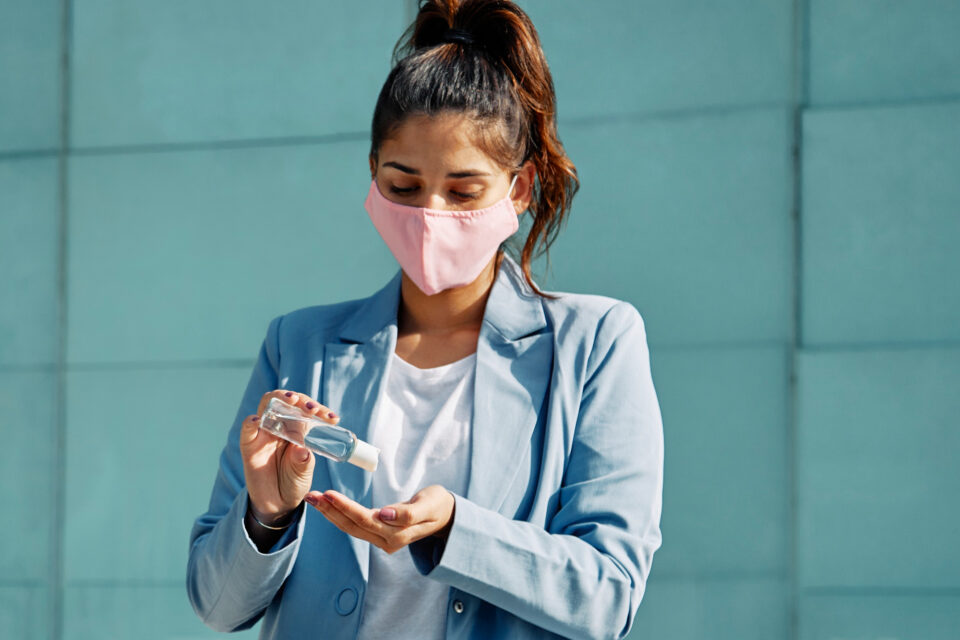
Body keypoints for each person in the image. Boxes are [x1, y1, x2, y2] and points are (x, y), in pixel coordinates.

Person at [186, 1, 663, 638]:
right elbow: (217, 608)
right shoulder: (301, 344)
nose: (430, 214)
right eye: (403, 186)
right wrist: (266, 514)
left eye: (463, 190)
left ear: (518, 189)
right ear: (372, 175)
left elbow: (607, 597)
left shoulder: (596, 342)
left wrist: (455, 531)